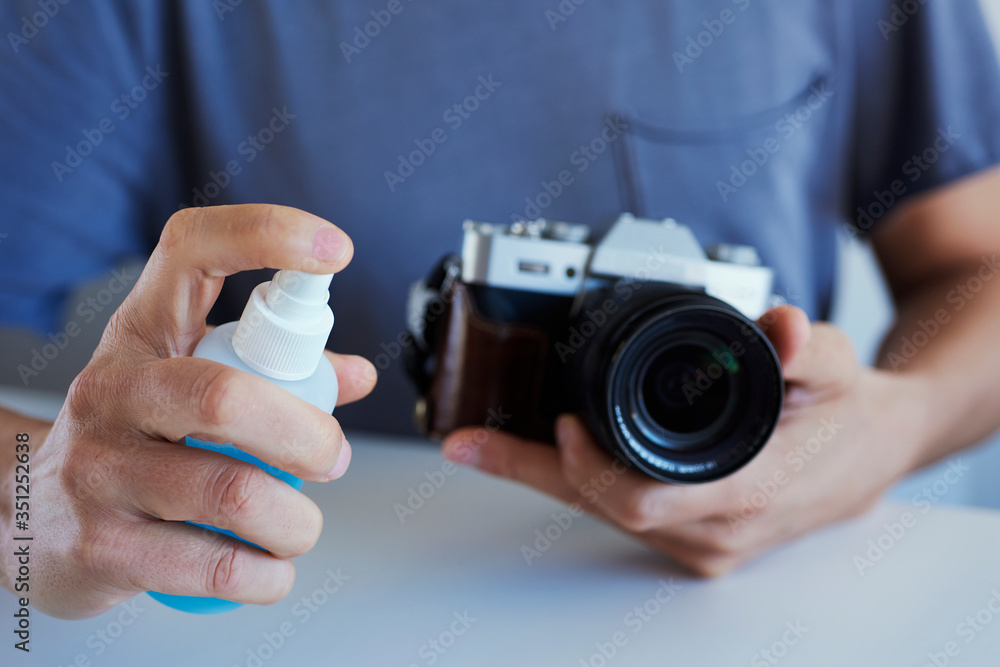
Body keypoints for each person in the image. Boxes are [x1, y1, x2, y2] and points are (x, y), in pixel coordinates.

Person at [1, 0, 1000, 619]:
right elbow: (37, 497)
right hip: (328, 601)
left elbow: (982, 262)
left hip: (772, 616)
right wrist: (27, 507)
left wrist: (896, 420)